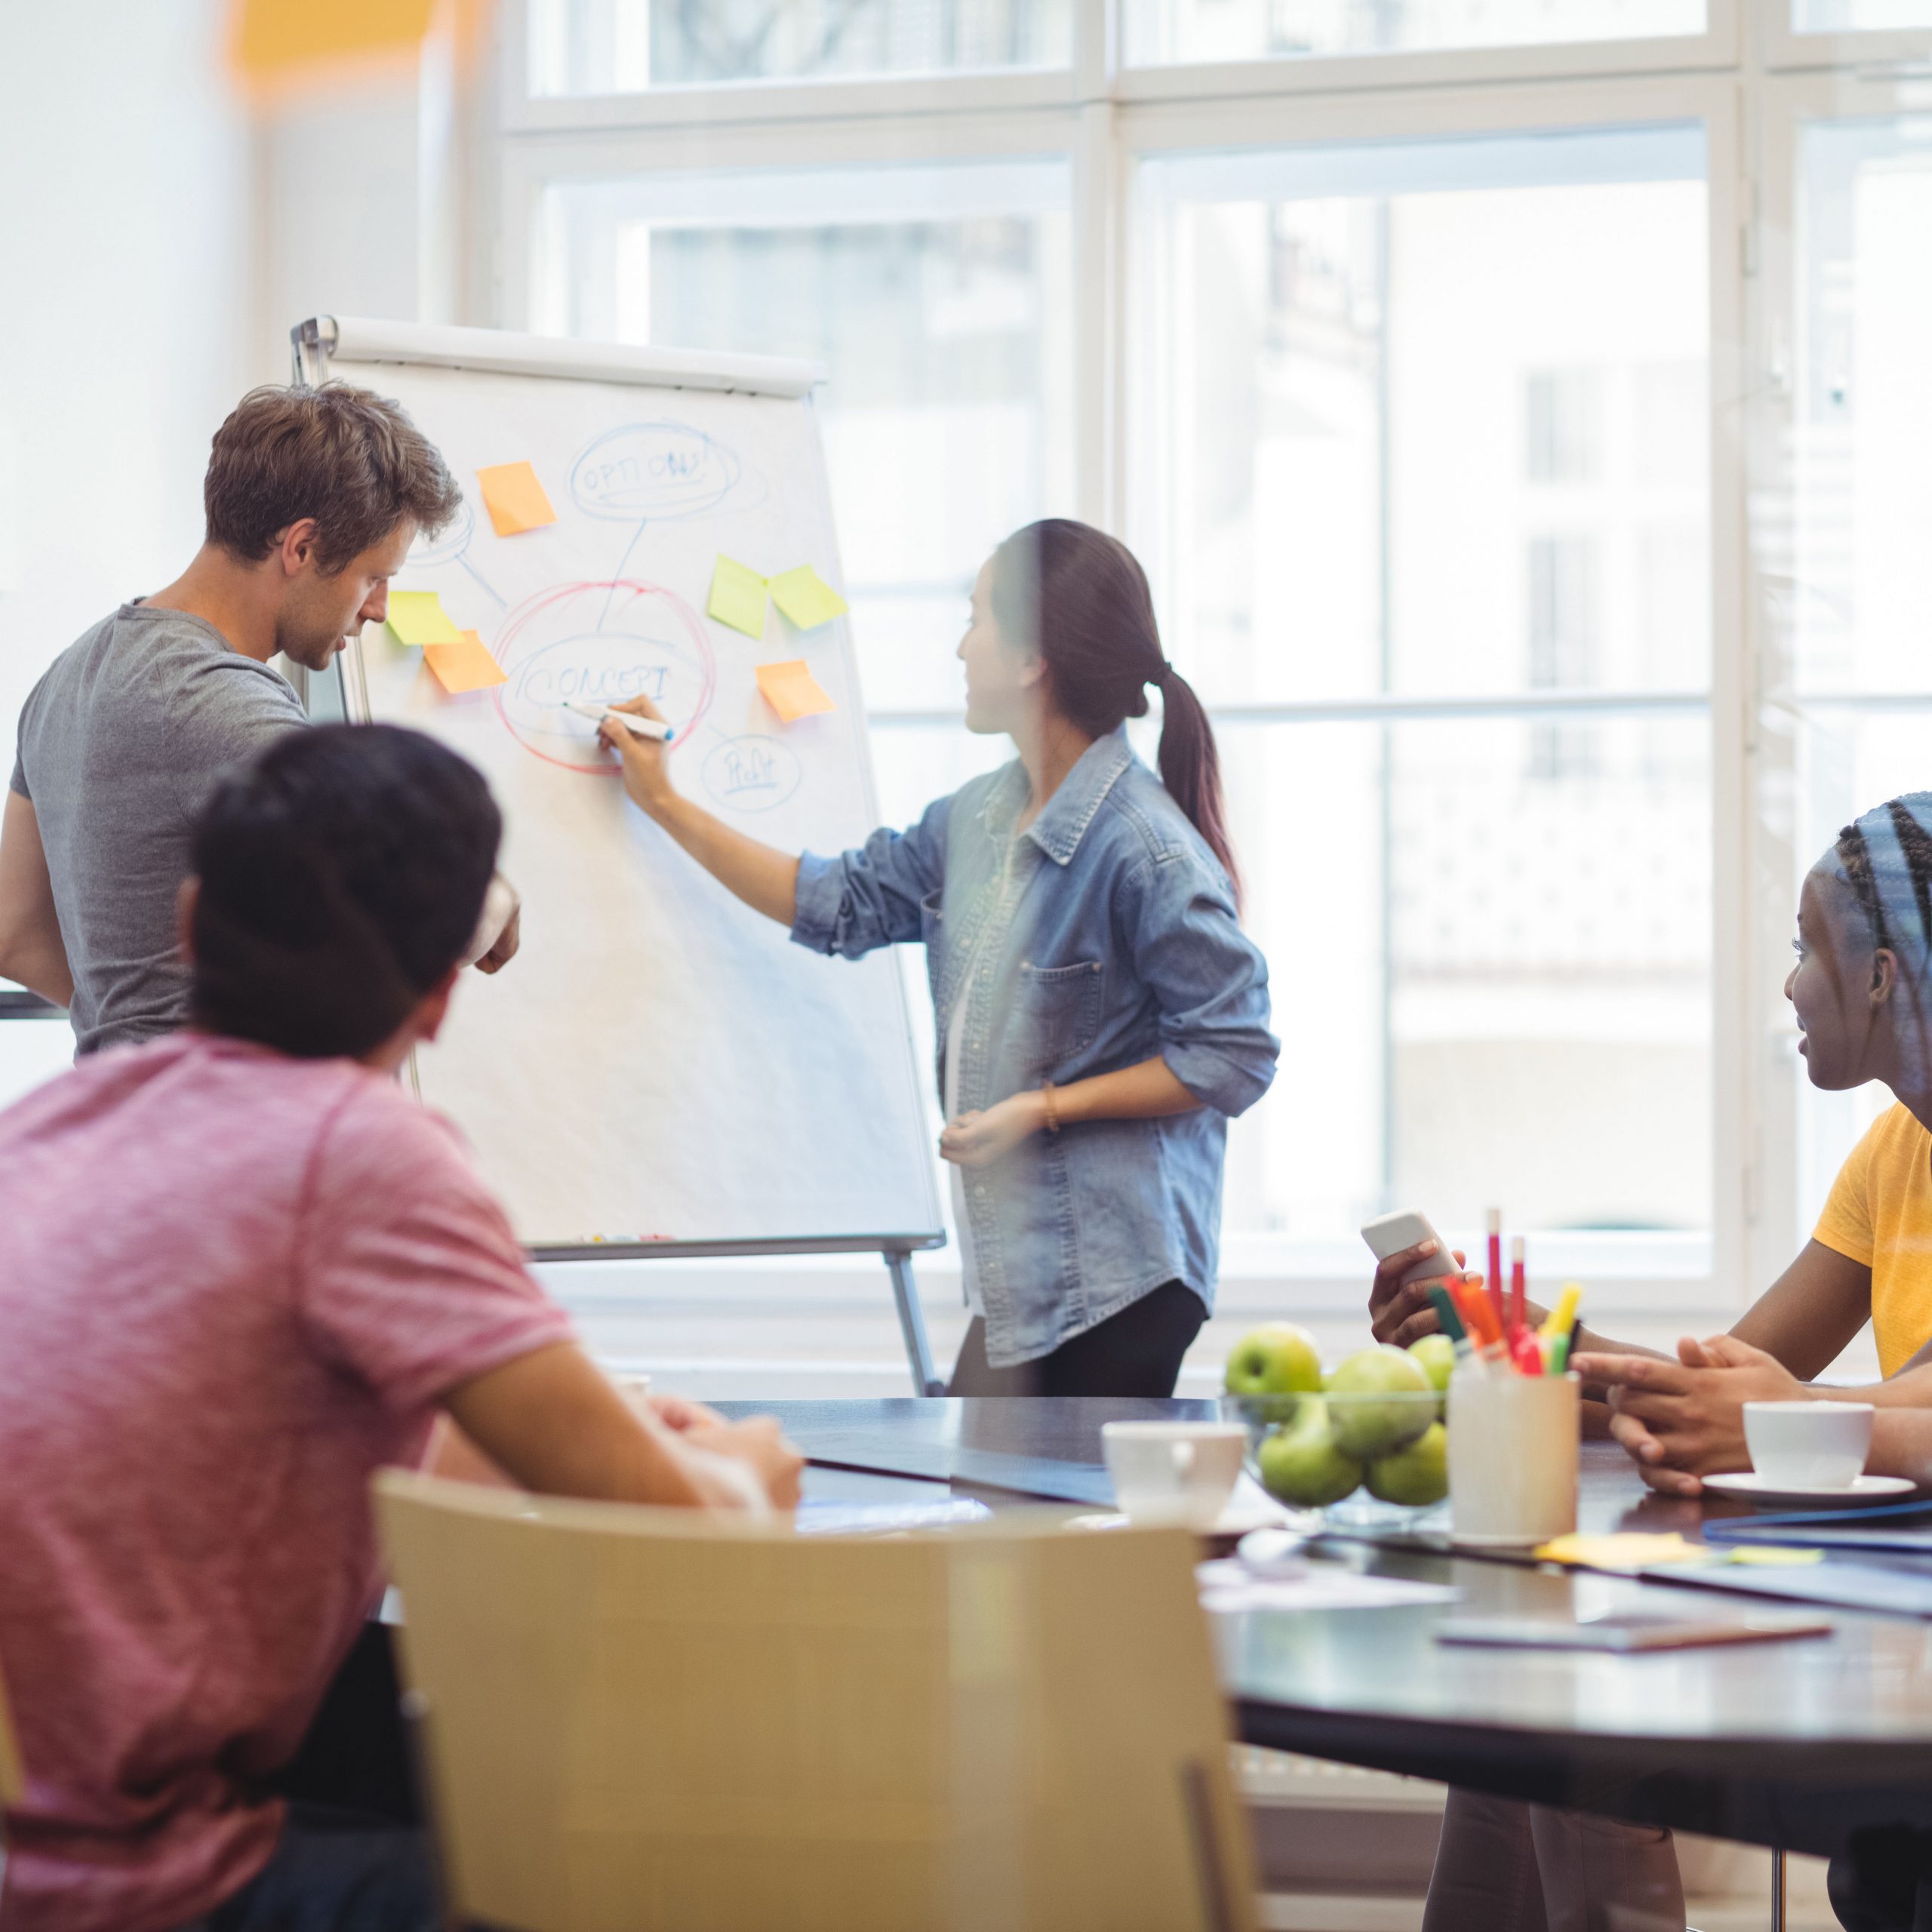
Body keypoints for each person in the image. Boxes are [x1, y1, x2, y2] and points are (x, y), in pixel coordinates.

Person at [0, 724, 803, 1932]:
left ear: (189, 922)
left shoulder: (55, 1126)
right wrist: (741, 1477)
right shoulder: (358, 1148)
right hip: (129, 1881)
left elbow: (273, 1415)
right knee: (683, 1869)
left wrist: (590, 1428)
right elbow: (678, 1519)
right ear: (438, 999)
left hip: (38, 1827)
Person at [1377, 793, 1932, 1932]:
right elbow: (1732, 1383)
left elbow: (1844, 1406)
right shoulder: (1893, 1154)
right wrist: (1505, 1333)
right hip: (1876, 1604)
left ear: (1881, 976)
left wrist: (1778, 1417)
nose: (1788, 984)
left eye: (1803, 949)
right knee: (1532, 1700)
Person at [597, 518, 1277, 1396]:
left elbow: (1233, 1053)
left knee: (1039, 1521)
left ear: (1032, 657)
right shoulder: (976, 819)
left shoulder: (1143, 849)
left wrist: (1042, 1107)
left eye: (976, 620)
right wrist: (663, 802)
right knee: (989, 1507)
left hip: (1123, 1277)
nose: (960, 648)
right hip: (1028, 1277)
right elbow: (834, 902)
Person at [0, 382, 519, 1057]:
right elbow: (419, 910)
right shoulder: (224, 705)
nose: (379, 609)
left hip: (128, 1119)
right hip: (232, 1138)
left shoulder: (68, 674)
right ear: (301, 548)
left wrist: (143, 1033)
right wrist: (499, 899)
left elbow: (15, 932)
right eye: (372, 577)